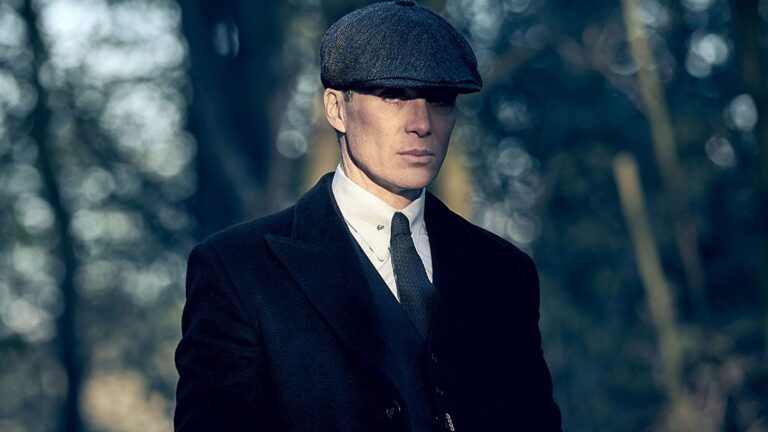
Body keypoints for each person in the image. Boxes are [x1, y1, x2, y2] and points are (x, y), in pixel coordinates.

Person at [174, 1, 562, 431]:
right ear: (336, 109)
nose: (421, 123)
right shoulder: (238, 270)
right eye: (393, 95)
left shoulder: (504, 272)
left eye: (440, 99)